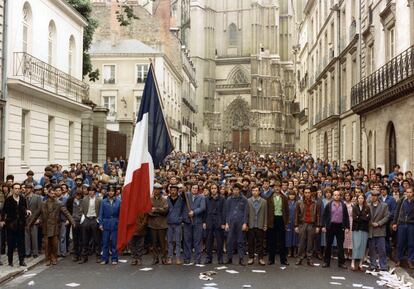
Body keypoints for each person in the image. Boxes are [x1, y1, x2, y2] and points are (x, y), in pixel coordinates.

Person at [29, 185, 75, 266]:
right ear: (48, 194)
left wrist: (72, 222)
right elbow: (36, 214)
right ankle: (47, 258)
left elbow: (66, 213)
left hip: (55, 226)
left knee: (54, 244)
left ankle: (54, 257)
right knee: (47, 244)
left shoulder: (59, 203)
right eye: (52, 193)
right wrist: (30, 224)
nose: (54, 195)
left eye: (54, 193)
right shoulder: (43, 203)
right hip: (46, 226)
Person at [1, 183, 31, 266]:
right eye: (15, 188)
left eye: (18, 188)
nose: (17, 190)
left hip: (20, 224)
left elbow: (24, 208)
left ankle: (21, 260)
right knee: (11, 243)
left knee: (21, 243)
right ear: (12, 189)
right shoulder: (9, 199)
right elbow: (4, 211)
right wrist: (2, 220)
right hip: (11, 225)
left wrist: (27, 212)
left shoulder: (22, 199)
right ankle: (10, 261)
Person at [321, 190, 349, 269]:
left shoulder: (343, 205)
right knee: (328, 244)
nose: (336, 196)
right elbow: (324, 216)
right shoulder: (329, 205)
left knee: (340, 245)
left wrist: (347, 227)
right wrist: (323, 226)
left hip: (340, 226)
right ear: (333, 196)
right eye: (335, 195)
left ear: (340, 196)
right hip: (331, 226)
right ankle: (326, 262)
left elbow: (346, 216)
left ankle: (341, 263)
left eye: (338, 195)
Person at [294, 187, 321, 266]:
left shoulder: (315, 203)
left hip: (312, 225)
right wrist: (296, 226)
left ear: (311, 193)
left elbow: (318, 215)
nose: (307, 194)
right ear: (303, 193)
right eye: (305, 192)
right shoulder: (299, 202)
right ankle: (299, 258)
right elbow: (296, 215)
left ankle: (309, 259)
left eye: (308, 193)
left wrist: (318, 226)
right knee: (301, 243)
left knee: (310, 243)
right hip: (302, 224)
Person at [224, 183, 248, 265]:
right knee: (229, 241)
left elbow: (246, 212)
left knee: (240, 241)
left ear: (240, 190)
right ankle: (229, 258)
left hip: (240, 222)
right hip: (231, 222)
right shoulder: (229, 199)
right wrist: (226, 223)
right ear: (232, 190)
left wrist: (245, 223)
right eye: (234, 189)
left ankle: (241, 258)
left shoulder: (244, 199)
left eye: (237, 190)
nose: (235, 191)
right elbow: (227, 212)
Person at [266, 181, 289, 266]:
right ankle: (271, 259)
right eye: (275, 186)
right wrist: (267, 222)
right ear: (273, 188)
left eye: (278, 186)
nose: (277, 188)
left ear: (281, 187)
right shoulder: (269, 198)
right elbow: (267, 211)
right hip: (272, 220)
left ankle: (283, 260)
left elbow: (287, 211)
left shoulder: (284, 198)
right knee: (272, 240)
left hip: (281, 219)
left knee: (282, 241)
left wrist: (286, 222)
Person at [182, 183, 206, 265]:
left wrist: (194, 212)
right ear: (190, 188)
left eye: (196, 188)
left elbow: (202, 208)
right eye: (193, 188)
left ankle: (197, 259)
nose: (194, 189)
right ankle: (187, 258)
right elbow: (181, 195)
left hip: (197, 221)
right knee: (187, 241)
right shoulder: (186, 195)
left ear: (198, 189)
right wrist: (182, 189)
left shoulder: (202, 197)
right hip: (187, 221)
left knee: (197, 241)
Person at [98, 186, 121, 265]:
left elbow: (120, 214)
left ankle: (114, 258)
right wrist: (100, 224)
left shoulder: (118, 201)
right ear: (107, 192)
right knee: (105, 242)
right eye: (109, 191)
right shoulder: (103, 201)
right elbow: (100, 213)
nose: (111, 192)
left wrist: (119, 223)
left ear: (115, 192)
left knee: (114, 242)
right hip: (106, 222)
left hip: (115, 222)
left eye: (112, 191)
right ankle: (105, 258)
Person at [392, 187, 414, 268]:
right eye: (407, 192)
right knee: (400, 243)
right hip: (401, 224)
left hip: (411, 224)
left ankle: (410, 260)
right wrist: (394, 223)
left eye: (410, 192)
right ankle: (398, 259)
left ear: (413, 193)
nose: (408, 194)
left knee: (411, 243)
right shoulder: (401, 201)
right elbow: (396, 212)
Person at [203, 183, 225, 264]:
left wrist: (223, 222)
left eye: (215, 188)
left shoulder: (222, 199)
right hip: (209, 221)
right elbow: (205, 211)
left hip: (219, 221)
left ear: (217, 189)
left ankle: (220, 258)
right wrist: (204, 221)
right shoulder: (206, 199)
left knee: (220, 241)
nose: (213, 189)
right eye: (212, 188)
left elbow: (224, 211)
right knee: (209, 241)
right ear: (210, 190)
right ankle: (209, 258)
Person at [80, 186, 102, 264]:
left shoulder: (99, 200)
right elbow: (81, 210)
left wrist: (98, 220)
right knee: (85, 240)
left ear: (95, 192)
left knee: (97, 240)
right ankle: (84, 257)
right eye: (89, 190)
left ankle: (98, 256)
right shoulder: (84, 199)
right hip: (86, 219)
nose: (91, 192)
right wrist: (82, 220)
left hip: (94, 219)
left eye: (92, 191)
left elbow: (100, 211)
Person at [368, 190, 389, 271]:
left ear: (378, 197)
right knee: (372, 249)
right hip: (371, 230)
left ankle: (383, 266)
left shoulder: (384, 205)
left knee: (382, 249)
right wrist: (371, 223)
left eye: (374, 196)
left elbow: (387, 217)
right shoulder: (368, 205)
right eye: (372, 195)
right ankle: (373, 265)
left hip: (380, 230)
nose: (373, 197)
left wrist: (379, 223)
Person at [148, 183, 168, 265]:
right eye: (155, 189)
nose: (156, 191)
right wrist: (159, 211)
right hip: (152, 224)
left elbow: (165, 210)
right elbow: (149, 211)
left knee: (163, 243)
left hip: (162, 224)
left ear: (160, 191)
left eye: (158, 189)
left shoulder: (164, 199)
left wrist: (155, 209)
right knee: (154, 243)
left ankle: (164, 258)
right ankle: (155, 258)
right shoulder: (150, 199)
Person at [247, 185, 267, 265]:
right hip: (251, 224)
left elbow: (266, 213)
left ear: (259, 192)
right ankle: (251, 258)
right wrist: (246, 223)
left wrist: (265, 224)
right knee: (250, 242)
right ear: (251, 192)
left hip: (260, 224)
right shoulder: (248, 201)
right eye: (253, 190)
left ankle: (261, 258)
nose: (255, 192)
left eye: (256, 190)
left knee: (261, 243)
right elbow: (246, 214)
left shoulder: (264, 201)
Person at [351, 193, 370, 271]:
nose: (360, 200)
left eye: (362, 198)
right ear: (357, 199)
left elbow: (368, 218)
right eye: (359, 198)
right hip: (356, 228)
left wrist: (360, 216)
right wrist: (363, 216)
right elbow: (355, 218)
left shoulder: (367, 207)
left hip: (364, 229)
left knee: (363, 245)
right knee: (356, 245)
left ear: (364, 199)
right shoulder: (354, 207)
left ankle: (360, 264)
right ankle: (353, 262)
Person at [166, 184, 184, 265]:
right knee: (169, 241)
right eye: (171, 190)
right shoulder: (166, 199)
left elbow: (184, 210)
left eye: (174, 190)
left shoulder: (181, 199)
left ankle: (178, 258)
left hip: (178, 223)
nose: (173, 192)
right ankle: (170, 257)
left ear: (177, 191)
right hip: (169, 223)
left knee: (178, 241)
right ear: (170, 191)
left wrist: (181, 219)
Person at [24, 183, 42, 258]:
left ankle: (35, 252)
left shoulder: (37, 197)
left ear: (31, 189)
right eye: (26, 188)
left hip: (34, 219)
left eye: (28, 188)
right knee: (26, 237)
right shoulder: (23, 197)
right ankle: (27, 252)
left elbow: (40, 209)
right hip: (26, 220)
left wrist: (39, 219)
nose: (26, 189)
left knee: (34, 237)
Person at [66, 189, 83, 262]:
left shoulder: (83, 200)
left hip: (82, 221)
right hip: (74, 221)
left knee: (82, 239)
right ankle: (76, 255)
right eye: (77, 195)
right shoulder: (70, 200)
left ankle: (81, 254)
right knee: (75, 239)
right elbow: (67, 210)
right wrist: (69, 220)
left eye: (79, 195)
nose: (78, 196)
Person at [286, 190, 298, 258]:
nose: (292, 196)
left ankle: (295, 252)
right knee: (288, 237)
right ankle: (290, 252)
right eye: (290, 195)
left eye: (293, 195)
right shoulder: (287, 203)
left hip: (295, 222)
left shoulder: (297, 203)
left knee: (296, 237)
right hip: (289, 222)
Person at [343, 191, 354, 260]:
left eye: (348, 195)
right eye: (346, 195)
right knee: (344, 238)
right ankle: (345, 253)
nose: (347, 197)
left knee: (351, 238)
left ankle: (350, 253)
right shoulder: (342, 204)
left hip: (351, 221)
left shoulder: (353, 204)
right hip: (344, 221)